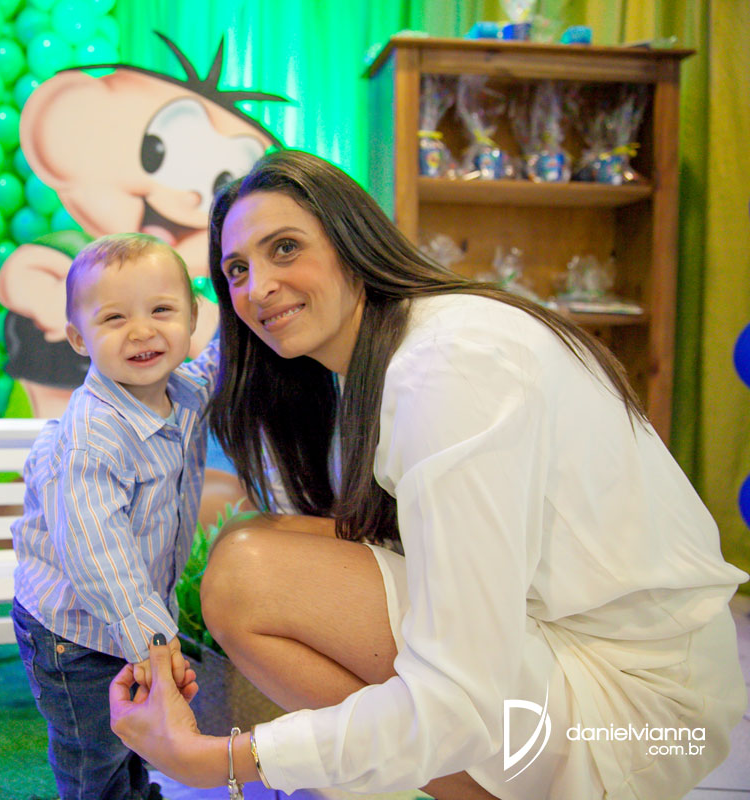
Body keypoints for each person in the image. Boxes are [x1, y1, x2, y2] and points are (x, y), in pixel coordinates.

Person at [109, 149, 748, 800]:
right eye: (237, 270)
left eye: (285, 248)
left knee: (248, 577)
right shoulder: (394, 352)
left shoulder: (446, 369)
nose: (258, 288)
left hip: (638, 710)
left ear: (352, 242)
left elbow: (460, 694)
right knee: (256, 542)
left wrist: (223, 760)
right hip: (580, 655)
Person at [11, 232, 214, 800]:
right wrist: (154, 642)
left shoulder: (183, 393)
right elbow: (97, 557)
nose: (142, 331)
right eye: (115, 318)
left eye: (162, 311)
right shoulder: (91, 440)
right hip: (73, 633)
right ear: (79, 337)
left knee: (134, 738)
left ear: (193, 320)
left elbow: (216, 367)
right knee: (94, 750)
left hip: (129, 620)